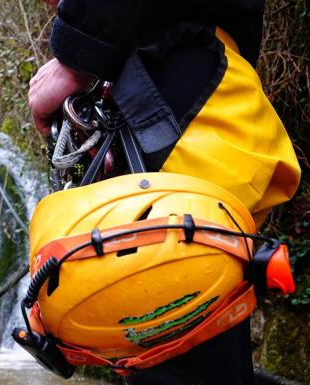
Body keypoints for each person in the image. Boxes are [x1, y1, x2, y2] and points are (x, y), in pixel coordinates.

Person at [27, 1, 301, 385]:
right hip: (206, 88)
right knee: (193, 342)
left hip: (168, 84)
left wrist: (77, 54)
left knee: (170, 334)